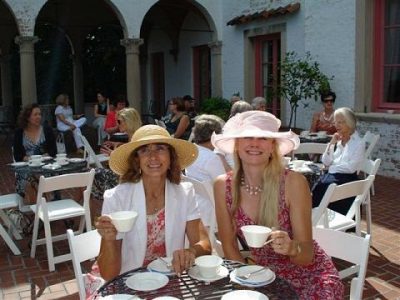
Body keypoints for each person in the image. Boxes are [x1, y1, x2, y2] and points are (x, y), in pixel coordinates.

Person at [211, 111, 344, 299]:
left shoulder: (294, 183)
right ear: (236, 144)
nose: (255, 144)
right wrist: (248, 282)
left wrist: (291, 248)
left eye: (264, 138)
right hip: (260, 273)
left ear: (273, 146)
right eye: (247, 137)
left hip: (309, 275)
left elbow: (306, 254)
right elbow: (229, 246)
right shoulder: (222, 185)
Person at [94, 125, 211, 285]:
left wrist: (191, 251)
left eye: (160, 148)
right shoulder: (117, 198)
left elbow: (205, 244)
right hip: (129, 281)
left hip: (170, 279)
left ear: (171, 157)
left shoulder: (184, 192)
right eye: (144, 150)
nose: (153, 156)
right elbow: (108, 274)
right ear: (137, 160)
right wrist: (108, 239)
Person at [312, 107, 365, 215]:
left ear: (349, 123)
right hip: (334, 176)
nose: (337, 125)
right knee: (317, 185)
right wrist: (331, 143)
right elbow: (326, 161)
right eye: (336, 122)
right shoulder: (340, 141)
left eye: (341, 122)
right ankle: (317, 219)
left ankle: (323, 219)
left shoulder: (359, 143)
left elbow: (351, 168)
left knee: (322, 187)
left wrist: (332, 167)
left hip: (347, 179)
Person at [13, 104, 57, 203]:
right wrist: (30, 159)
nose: (39, 117)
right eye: (35, 114)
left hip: (45, 167)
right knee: (30, 181)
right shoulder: (19, 132)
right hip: (27, 168)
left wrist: (47, 155)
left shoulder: (47, 130)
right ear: (28, 117)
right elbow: (17, 156)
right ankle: (39, 211)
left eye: (40, 114)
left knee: (41, 178)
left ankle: (40, 211)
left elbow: (53, 151)